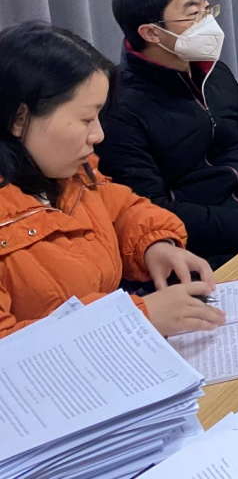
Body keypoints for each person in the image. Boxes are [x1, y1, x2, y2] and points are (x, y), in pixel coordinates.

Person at [0, 22, 225, 338]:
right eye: (85, 119)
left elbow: (120, 208)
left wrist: (155, 245)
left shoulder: (69, 175)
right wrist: (136, 319)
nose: (98, 135)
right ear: (19, 118)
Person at [97, 0, 238, 269]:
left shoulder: (214, 72)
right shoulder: (119, 108)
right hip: (206, 251)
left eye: (208, 10)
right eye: (194, 14)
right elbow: (152, 209)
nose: (208, 23)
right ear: (151, 32)